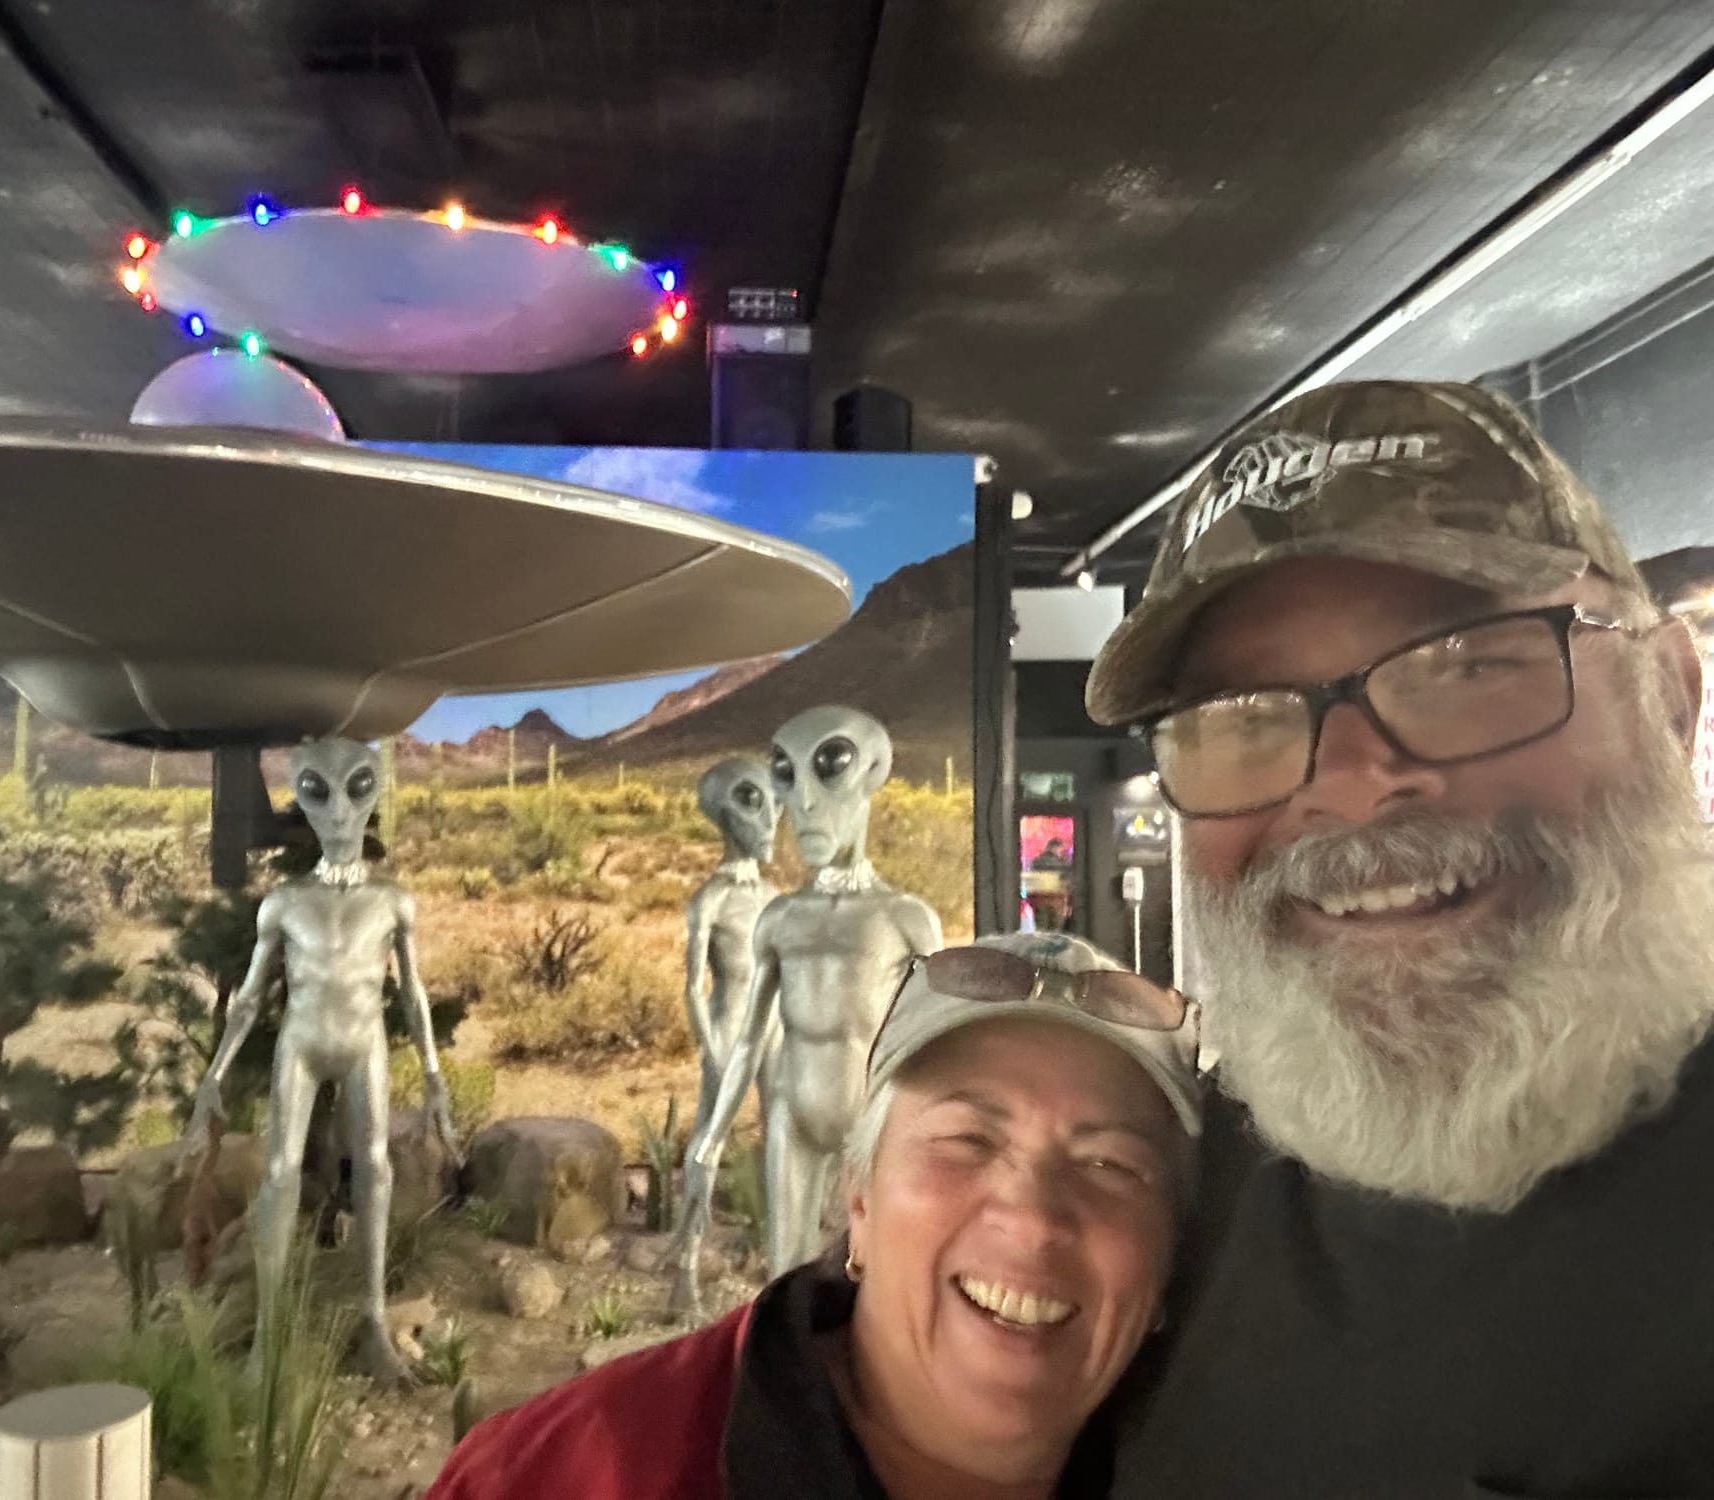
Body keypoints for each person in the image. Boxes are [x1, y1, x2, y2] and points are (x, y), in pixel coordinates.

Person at [1084, 379, 1714, 1496]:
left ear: (1666, 694)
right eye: (1241, 718)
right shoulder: (1170, 1202)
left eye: (1467, 664)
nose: (1351, 783)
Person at [423, 932, 1200, 1500]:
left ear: (1172, 1254)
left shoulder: (1237, 1468)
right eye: (968, 1139)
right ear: (859, 1197)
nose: (1032, 1219)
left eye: (1110, 1165)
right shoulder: (564, 1476)